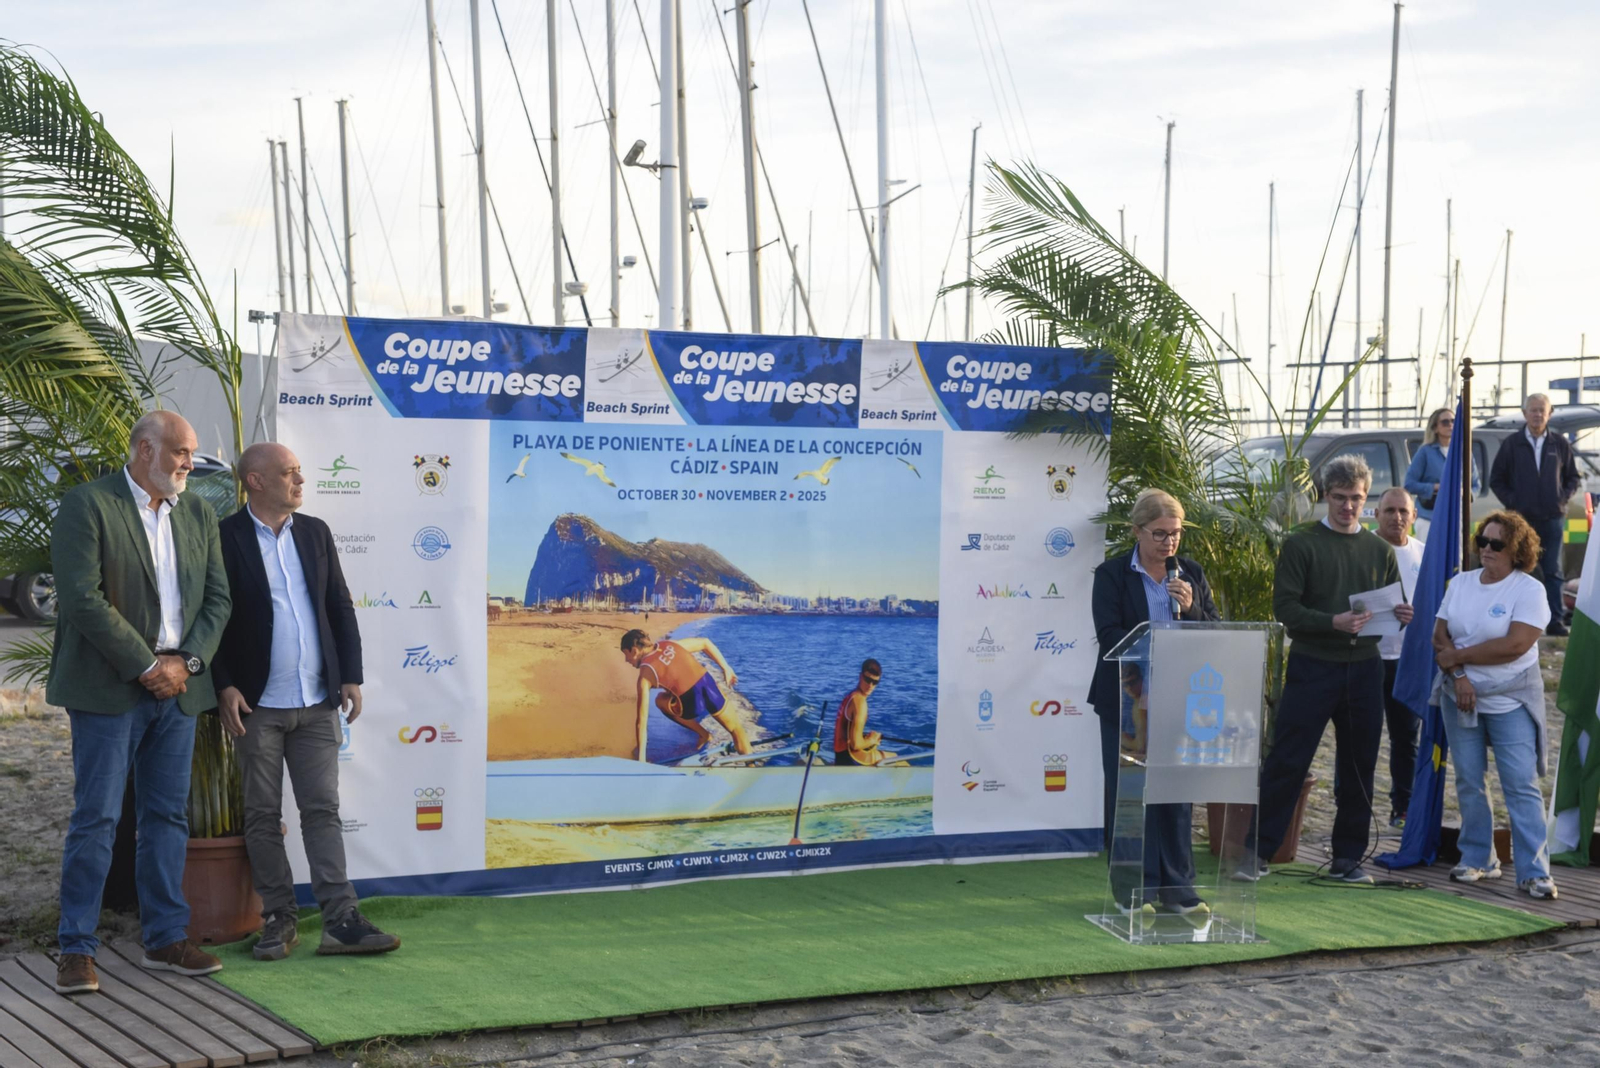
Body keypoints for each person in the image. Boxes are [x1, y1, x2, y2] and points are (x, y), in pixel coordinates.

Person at [48, 411, 232, 995]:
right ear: (145, 449)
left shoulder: (198, 511)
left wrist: (185, 664)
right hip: (110, 689)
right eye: (181, 451)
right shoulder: (89, 504)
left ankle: (165, 938)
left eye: (192, 453)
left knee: (167, 818)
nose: (189, 462)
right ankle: (76, 948)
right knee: (97, 818)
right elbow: (81, 599)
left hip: (179, 689)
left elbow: (218, 602)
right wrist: (147, 664)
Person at [214, 443, 399, 961]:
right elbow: (212, 616)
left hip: (317, 701)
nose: (299, 480)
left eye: (298, 472)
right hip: (256, 707)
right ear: (254, 481)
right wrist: (223, 683)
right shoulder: (223, 537)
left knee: (322, 811)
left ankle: (341, 920)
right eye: (288, 473)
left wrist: (351, 676)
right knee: (261, 815)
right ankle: (278, 919)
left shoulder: (314, 532)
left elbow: (338, 604)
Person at [1241, 455, 1413, 885]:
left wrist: (1401, 614)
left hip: (1365, 668)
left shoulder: (1379, 549)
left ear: (1366, 499)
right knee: (1289, 759)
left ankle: (1347, 858)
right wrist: (1330, 621)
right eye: (1340, 498)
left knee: (1359, 765)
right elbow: (1285, 608)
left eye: (1356, 499)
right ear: (1325, 496)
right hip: (1313, 664)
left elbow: (1389, 605)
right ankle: (1257, 852)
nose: (1348, 507)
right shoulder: (1301, 544)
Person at [1088, 488, 1220, 915]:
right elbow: (1109, 635)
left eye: (1176, 534)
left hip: (1180, 698)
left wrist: (1191, 608)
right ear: (1137, 530)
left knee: (1176, 796)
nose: (1169, 543)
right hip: (1128, 700)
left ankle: (1178, 889)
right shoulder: (1111, 575)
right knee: (1130, 795)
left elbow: (1214, 630)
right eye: (1160, 534)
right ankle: (1133, 890)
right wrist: (1153, 630)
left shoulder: (1191, 572)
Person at [1433, 510, 1557, 899]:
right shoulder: (1461, 583)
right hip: (1461, 695)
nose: (1486, 549)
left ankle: (1534, 871)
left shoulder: (1530, 590)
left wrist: (1459, 657)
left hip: (1511, 699)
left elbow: (1515, 645)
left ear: (1516, 550)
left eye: (1496, 544)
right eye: (1482, 541)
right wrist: (1460, 677)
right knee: (1469, 780)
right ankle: (1478, 858)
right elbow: (1440, 636)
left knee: (1520, 785)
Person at [1488, 392, 1581, 635]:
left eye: (1542, 410)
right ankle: (1516, 621)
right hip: (1521, 521)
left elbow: (1573, 477)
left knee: (1552, 570)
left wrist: (1561, 498)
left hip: (1552, 518)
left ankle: (1554, 621)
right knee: (1518, 567)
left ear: (1549, 414)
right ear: (1524, 413)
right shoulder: (1512, 444)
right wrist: (1513, 502)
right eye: (1533, 410)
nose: (1538, 414)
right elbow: (1496, 479)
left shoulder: (1559, 444)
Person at [1375, 488, 1426, 827]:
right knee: (1356, 736)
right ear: (1376, 514)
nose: (1397, 517)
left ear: (1414, 516)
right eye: (1390, 510)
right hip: (1368, 656)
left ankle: (1403, 807)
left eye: (1403, 511)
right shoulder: (1363, 550)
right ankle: (1351, 801)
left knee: (1406, 737)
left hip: (1408, 659)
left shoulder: (1425, 554)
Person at [621, 630, 752, 760]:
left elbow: (641, 722)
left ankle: (703, 734)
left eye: (626, 655)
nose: (627, 660)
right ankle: (751, 764)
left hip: (692, 704)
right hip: (709, 686)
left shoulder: (645, 675)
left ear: (634, 651)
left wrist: (642, 761)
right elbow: (705, 643)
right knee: (736, 729)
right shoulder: (670, 644)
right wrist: (726, 668)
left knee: (660, 700)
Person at [1403, 407, 1480, 540]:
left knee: (1456, 560)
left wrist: (1465, 492)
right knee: (1428, 558)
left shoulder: (1464, 452)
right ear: (1435, 427)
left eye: (1453, 421)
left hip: (1456, 517)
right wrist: (1435, 487)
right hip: (1429, 517)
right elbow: (1409, 484)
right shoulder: (1425, 452)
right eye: (1445, 422)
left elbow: (1476, 485)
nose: (1450, 425)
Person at [834, 659, 895, 766]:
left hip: (840, 756)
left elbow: (847, 735)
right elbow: (856, 744)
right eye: (867, 680)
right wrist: (872, 740)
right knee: (896, 758)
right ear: (860, 676)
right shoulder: (860, 702)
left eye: (875, 682)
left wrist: (865, 738)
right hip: (851, 758)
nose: (870, 685)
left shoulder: (850, 696)